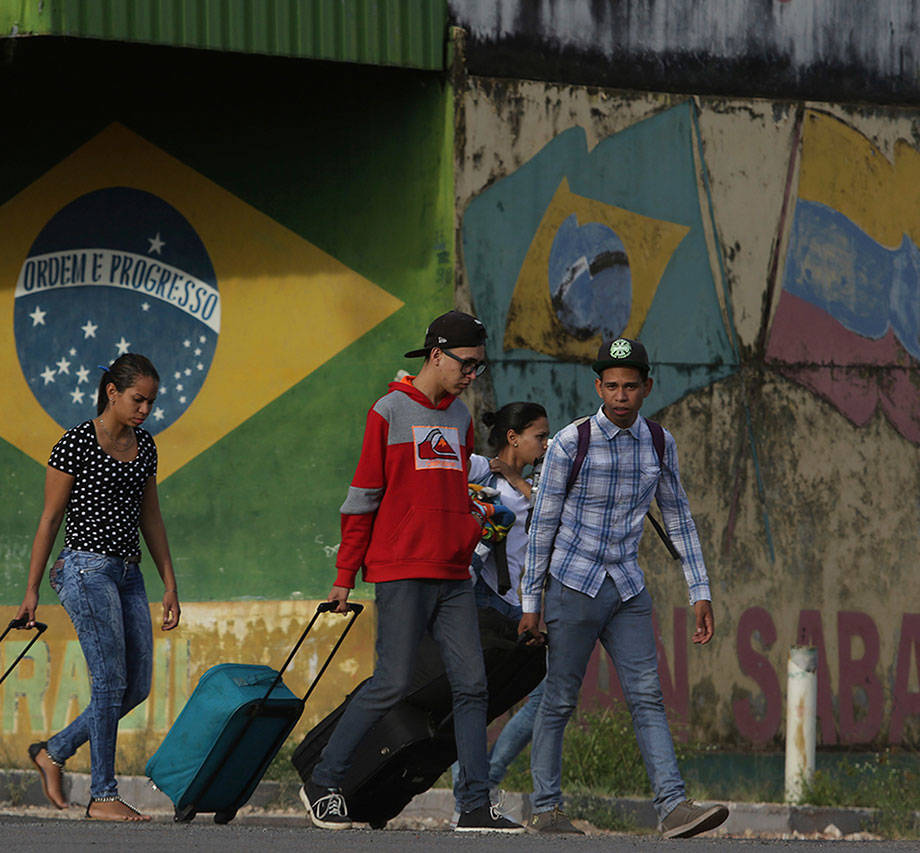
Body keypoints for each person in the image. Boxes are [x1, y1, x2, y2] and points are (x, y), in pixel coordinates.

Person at [300, 310, 523, 833]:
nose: (473, 375)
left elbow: (461, 491)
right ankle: (324, 783)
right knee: (391, 683)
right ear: (437, 354)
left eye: (479, 367)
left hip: (453, 573)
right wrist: (343, 574)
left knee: (473, 686)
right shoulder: (388, 411)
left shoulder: (462, 419)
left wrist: (468, 531)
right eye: (467, 365)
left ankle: (472, 804)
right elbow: (362, 498)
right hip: (401, 569)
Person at [517, 338, 728, 839]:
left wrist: (700, 590)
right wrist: (531, 604)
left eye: (630, 386)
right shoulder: (572, 442)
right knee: (560, 699)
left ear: (646, 387)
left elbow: (678, 516)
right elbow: (542, 526)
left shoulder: (659, 442)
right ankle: (546, 810)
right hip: (572, 585)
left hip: (627, 589)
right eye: (611, 386)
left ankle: (673, 807)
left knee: (648, 696)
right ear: (598, 387)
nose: (620, 395)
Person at [15, 353, 181, 822]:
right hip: (84, 569)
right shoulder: (74, 444)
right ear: (112, 392)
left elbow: (152, 516)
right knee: (109, 681)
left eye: (150, 402)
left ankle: (54, 751)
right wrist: (31, 592)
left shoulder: (145, 446)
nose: (144, 409)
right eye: (137, 399)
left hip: (130, 573)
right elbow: (49, 521)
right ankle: (102, 795)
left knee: (135, 687)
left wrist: (169, 582)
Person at [449, 402, 550, 825]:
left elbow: (552, 512)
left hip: (519, 605)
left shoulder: (535, 483)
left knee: (546, 694)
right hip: (483, 599)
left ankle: (483, 779)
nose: (546, 444)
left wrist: (514, 477)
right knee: (474, 696)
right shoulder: (479, 471)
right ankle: (470, 796)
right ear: (513, 438)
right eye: (539, 436)